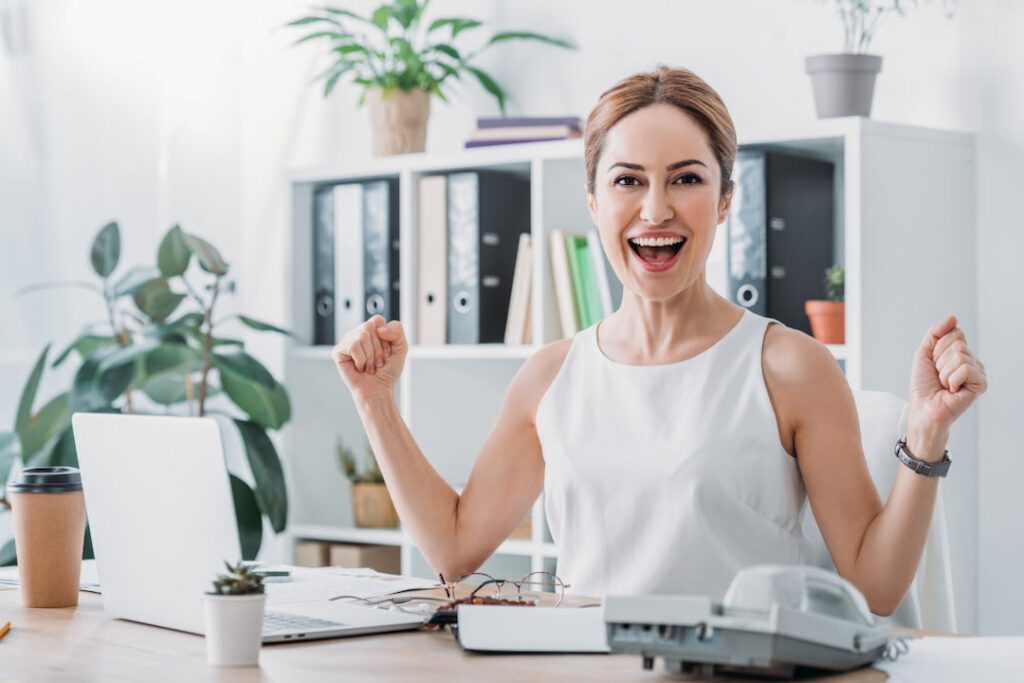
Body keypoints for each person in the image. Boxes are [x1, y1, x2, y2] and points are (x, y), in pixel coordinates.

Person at [332, 66, 987, 615]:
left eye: (686, 178)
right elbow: (453, 547)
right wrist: (376, 403)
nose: (655, 209)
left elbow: (873, 589)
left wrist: (926, 438)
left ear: (727, 198)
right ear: (592, 199)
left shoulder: (789, 365)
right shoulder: (550, 376)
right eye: (627, 180)